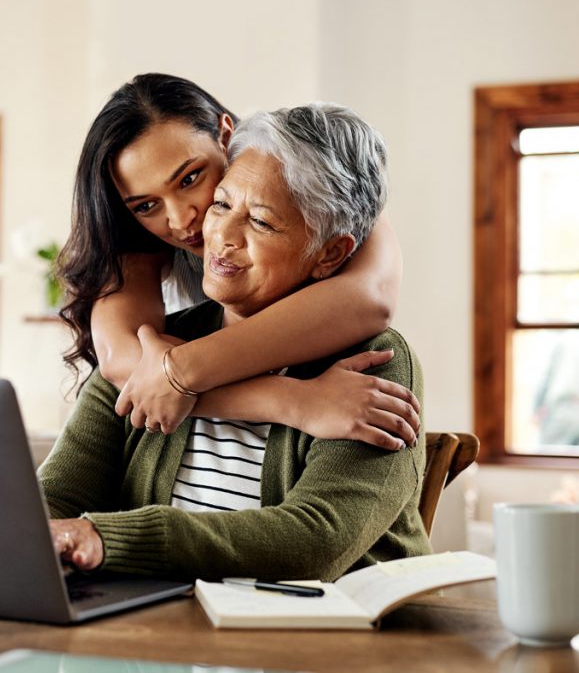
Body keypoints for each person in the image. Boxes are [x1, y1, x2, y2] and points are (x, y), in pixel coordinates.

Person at [40, 103, 432, 581]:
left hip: (324, 644)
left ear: (330, 254)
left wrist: (109, 539)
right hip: (167, 638)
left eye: (262, 222)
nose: (217, 235)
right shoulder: (155, 348)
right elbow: (55, 497)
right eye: (222, 204)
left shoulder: (378, 361)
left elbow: (314, 542)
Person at [57, 74, 420, 451]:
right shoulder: (136, 240)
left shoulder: (316, 177)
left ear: (225, 135)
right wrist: (292, 401)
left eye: (190, 178)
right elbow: (124, 362)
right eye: (147, 205)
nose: (182, 220)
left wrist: (182, 370)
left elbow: (370, 298)